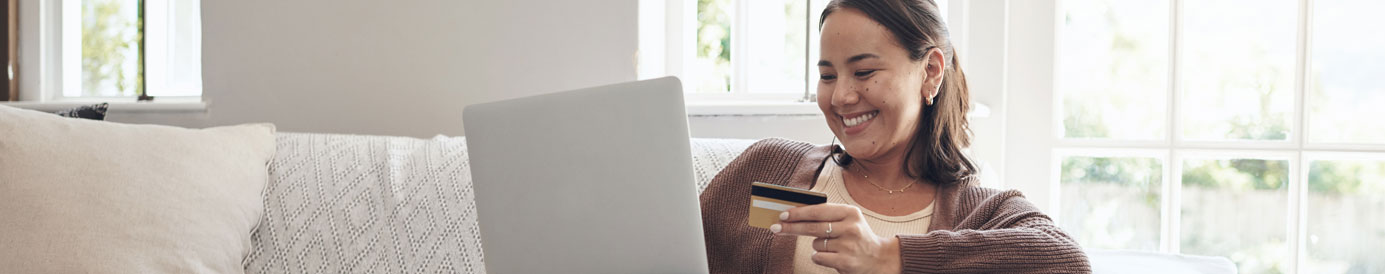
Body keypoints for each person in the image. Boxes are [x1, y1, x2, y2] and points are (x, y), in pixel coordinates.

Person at [699, 0, 1091, 273]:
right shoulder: (770, 171)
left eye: (865, 72)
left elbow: (1070, 262)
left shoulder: (978, 211)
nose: (841, 97)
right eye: (827, 75)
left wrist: (890, 257)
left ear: (931, 71)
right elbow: (662, 248)